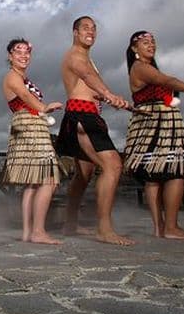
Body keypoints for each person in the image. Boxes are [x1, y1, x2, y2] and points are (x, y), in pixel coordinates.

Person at [123, 30, 184, 239]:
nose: (151, 45)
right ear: (134, 49)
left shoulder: (144, 68)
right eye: (145, 42)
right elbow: (167, 80)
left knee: (154, 176)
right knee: (175, 171)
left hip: (156, 123)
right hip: (156, 125)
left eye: (153, 42)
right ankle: (171, 227)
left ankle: (161, 228)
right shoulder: (140, 68)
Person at [56, 16, 135, 246]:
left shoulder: (87, 58)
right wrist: (109, 94)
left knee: (84, 174)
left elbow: (89, 86)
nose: (91, 31)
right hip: (82, 117)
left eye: (94, 27)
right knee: (113, 165)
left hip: (84, 114)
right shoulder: (75, 55)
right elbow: (87, 77)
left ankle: (70, 224)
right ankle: (104, 228)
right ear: (75, 32)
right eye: (85, 27)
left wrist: (108, 98)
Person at [1, 38, 65, 244]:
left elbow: (26, 94)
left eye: (26, 51)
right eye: (17, 51)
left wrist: (41, 111)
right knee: (49, 179)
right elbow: (24, 96)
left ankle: (29, 232)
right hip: (28, 124)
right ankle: (38, 231)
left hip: (29, 124)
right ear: (10, 56)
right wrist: (44, 107)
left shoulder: (21, 78)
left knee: (34, 182)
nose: (23, 55)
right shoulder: (12, 76)